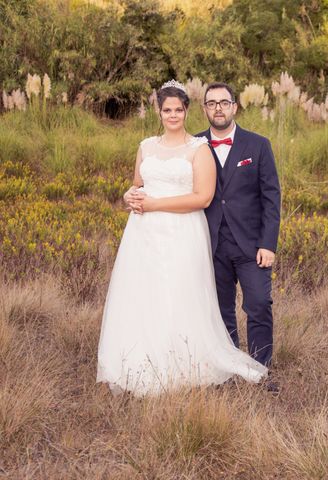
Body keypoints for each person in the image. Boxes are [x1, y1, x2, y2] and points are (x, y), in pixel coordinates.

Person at [96, 80, 267, 397]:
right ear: (158, 112)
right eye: (166, 110)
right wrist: (128, 197)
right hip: (143, 234)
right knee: (145, 296)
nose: (172, 115)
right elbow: (137, 184)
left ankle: (184, 363)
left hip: (182, 232)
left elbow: (203, 198)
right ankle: (143, 362)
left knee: (179, 295)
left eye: (178, 109)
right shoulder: (146, 146)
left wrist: (155, 205)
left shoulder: (198, 149)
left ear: (187, 111)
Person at [195, 83, 281, 374]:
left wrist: (268, 244)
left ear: (234, 107)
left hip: (251, 246)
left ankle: (259, 368)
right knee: (221, 311)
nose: (218, 108)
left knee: (258, 304)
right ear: (205, 108)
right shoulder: (193, 145)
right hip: (210, 243)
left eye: (224, 102)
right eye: (211, 103)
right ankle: (230, 369)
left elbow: (271, 198)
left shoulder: (258, 145)